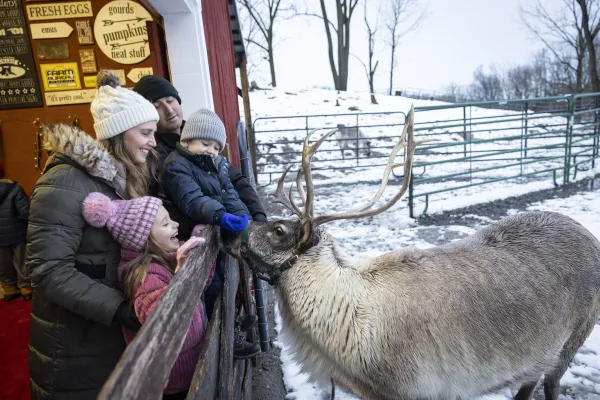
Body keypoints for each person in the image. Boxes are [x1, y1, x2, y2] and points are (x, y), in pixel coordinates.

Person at [27, 70, 159, 399]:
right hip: (76, 346)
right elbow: (47, 270)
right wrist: (118, 308)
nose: (153, 143)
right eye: (145, 133)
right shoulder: (65, 182)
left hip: (105, 337)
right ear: (119, 132)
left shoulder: (120, 179)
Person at [81, 192, 210, 400]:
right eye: (166, 223)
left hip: (191, 363)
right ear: (145, 240)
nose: (175, 224)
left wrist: (199, 255)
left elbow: (202, 286)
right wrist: (183, 274)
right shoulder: (146, 276)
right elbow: (164, 321)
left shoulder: (166, 257)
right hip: (174, 378)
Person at [161, 108, 260, 359]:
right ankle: (221, 339)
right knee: (212, 287)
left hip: (210, 235)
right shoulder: (176, 166)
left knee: (227, 279)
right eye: (205, 144)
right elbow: (193, 200)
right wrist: (220, 216)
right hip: (190, 236)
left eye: (216, 147)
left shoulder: (216, 165)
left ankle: (230, 323)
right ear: (187, 140)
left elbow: (229, 193)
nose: (211, 151)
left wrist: (242, 215)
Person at [132, 75, 267, 223]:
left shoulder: (204, 135)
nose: (169, 110)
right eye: (157, 107)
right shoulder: (152, 154)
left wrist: (259, 214)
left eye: (170, 101)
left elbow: (237, 181)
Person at [0, 161, 32, 302]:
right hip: (17, 232)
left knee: (3, 263)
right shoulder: (14, 188)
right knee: (21, 261)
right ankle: (25, 288)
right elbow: (25, 212)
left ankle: (9, 288)